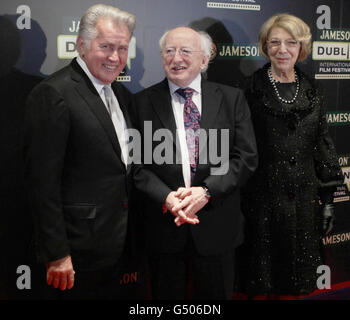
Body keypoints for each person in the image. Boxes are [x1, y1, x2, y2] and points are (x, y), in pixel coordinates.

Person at [132, 26, 258, 299]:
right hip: (165, 229)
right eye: (169, 51)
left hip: (217, 227)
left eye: (186, 51)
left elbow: (245, 157)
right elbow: (136, 166)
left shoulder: (231, 99)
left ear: (204, 60)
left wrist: (207, 191)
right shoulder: (140, 103)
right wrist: (167, 198)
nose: (176, 58)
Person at [24, 4, 136, 299]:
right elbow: (42, 183)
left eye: (122, 48)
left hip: (116, 245)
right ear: (81, 45)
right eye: (106, 47)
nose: (115, 57)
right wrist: (57, 254)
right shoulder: (54, 93)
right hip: (75, 254)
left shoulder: (121, 94)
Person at [239, 13, 344, 299]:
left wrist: (327, 202)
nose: (282, 49)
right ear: (265, 46)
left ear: (301, 47)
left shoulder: (313, 89)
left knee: (298, 283)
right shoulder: (250, 89)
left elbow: (322, 144)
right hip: (262, 200)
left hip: (304, 201)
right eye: (274, 42)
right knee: (264, 281)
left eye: (290, 42)